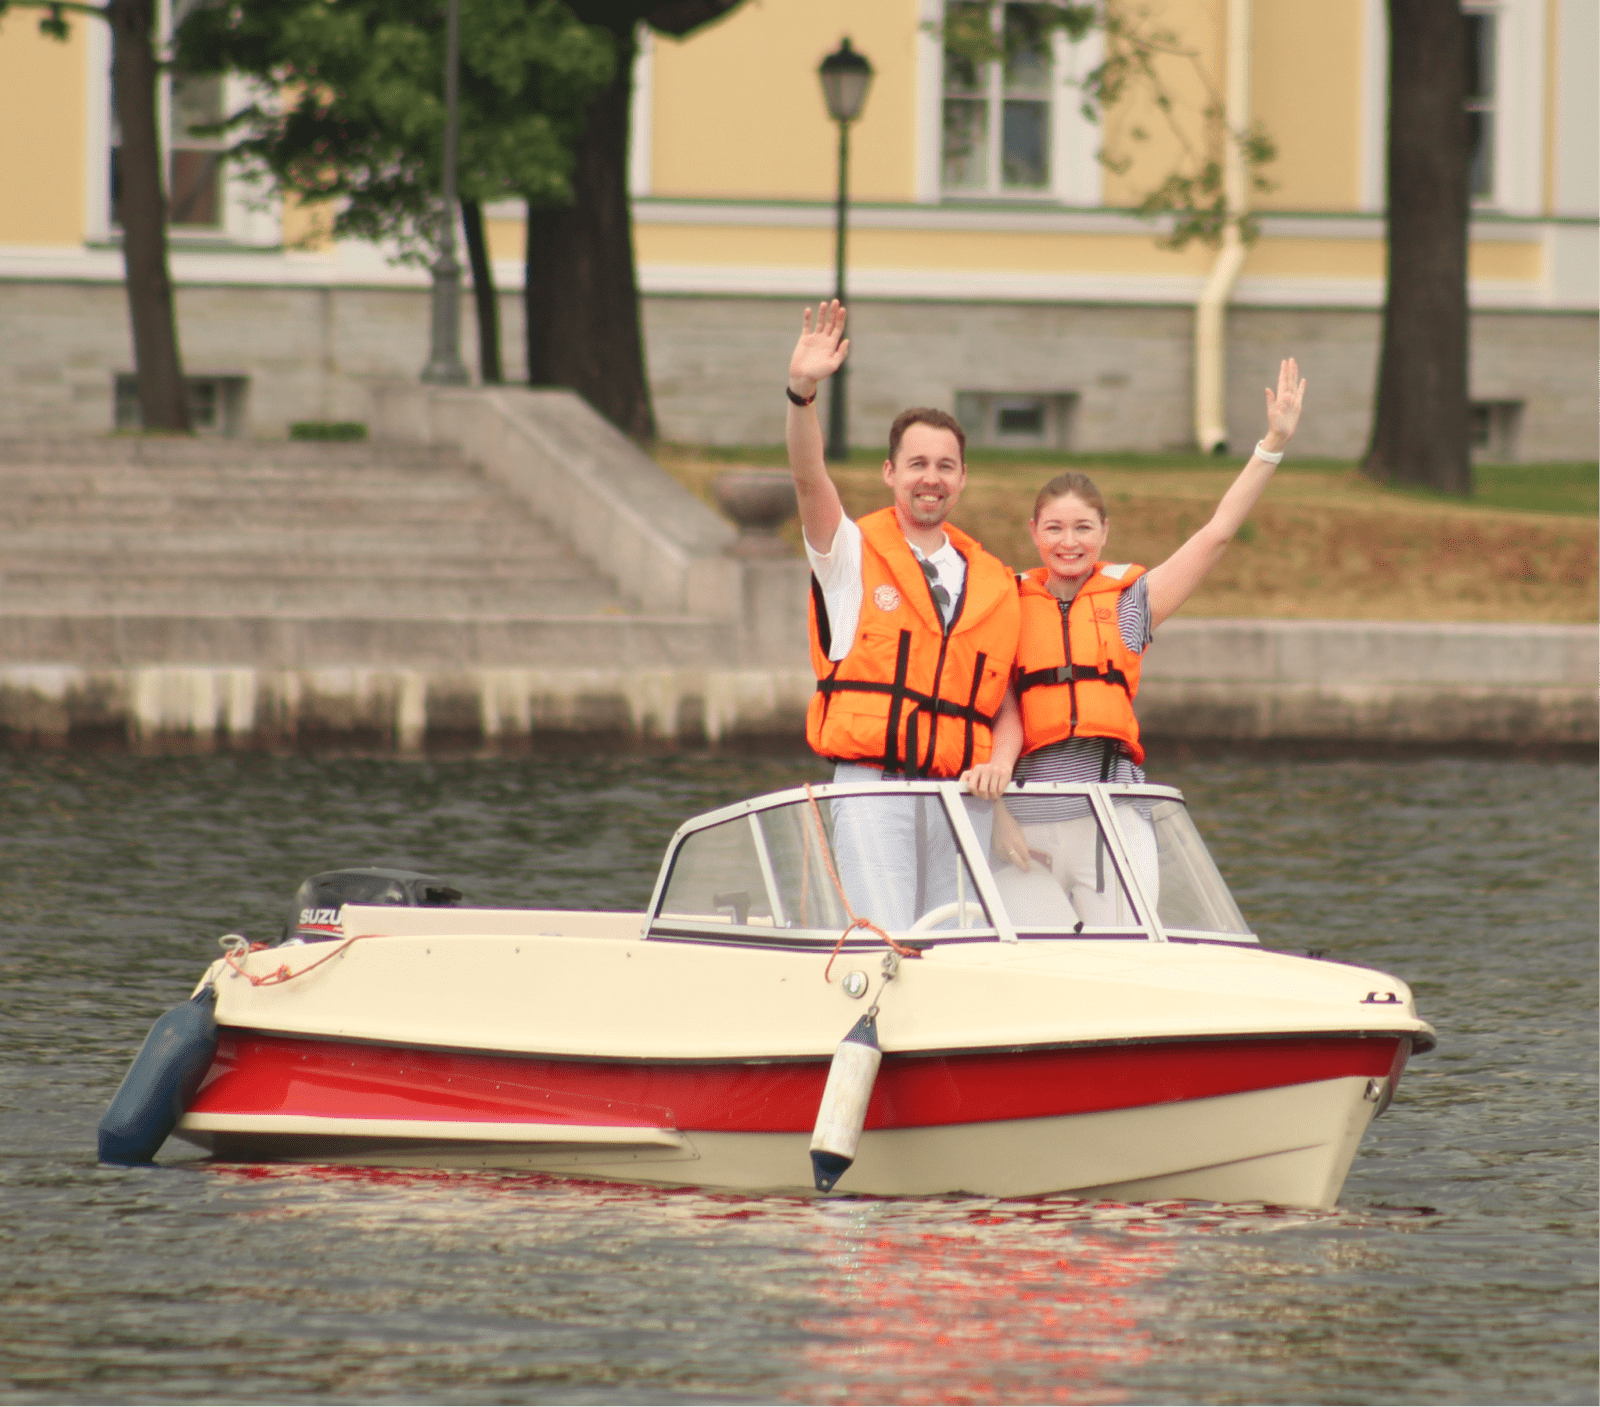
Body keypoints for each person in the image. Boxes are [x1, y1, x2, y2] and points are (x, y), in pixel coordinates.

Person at [991, 357, 1308, 928]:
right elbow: (980, 715)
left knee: (1125, 959)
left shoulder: (1130, 601)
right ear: (1034, 533)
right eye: (1055, 529)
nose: (1069, 542)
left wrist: (1272, 443)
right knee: (1040, 966)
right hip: (1024, 825)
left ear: (1104, 533)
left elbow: (1216, 534)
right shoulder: (1002, 604)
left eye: (1083, 528)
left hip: (1112, 817)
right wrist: (994, 817)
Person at [786, 299, 1021, 931]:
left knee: (954, 939)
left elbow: (1003, 702)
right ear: (890, 473)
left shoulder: (995, 581)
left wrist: (1000, 762)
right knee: (885, 934)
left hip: (959, 795)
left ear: (963, 479)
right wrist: (802, 394)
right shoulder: (850, 553)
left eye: (945, 466)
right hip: (873, 785)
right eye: (917, 463)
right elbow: (810, 482)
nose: (931, 478)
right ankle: (869, 1025)